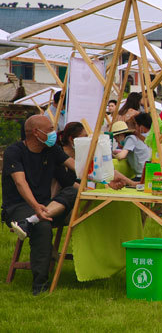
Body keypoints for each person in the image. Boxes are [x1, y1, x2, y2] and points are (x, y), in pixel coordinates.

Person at [2, 115, 79, 295]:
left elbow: (76, 167)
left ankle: (30, 221)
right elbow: (21, 184)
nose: (54, 133)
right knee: (43, 226)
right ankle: (40, 285)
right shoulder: (14, 151)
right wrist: (36, 207)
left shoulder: (52, 150)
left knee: (74, 192)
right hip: (18, 207)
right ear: (37, 133)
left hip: (47, 207)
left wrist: (105, 178)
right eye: (50, 129)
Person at [111, 113, 153, 180]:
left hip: (141, 176)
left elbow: (121, 156)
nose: (116, 140)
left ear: (121, 135)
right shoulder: (142, 137)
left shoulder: (130, 138)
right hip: (148, 172)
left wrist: (112, 155)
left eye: (115, 138)